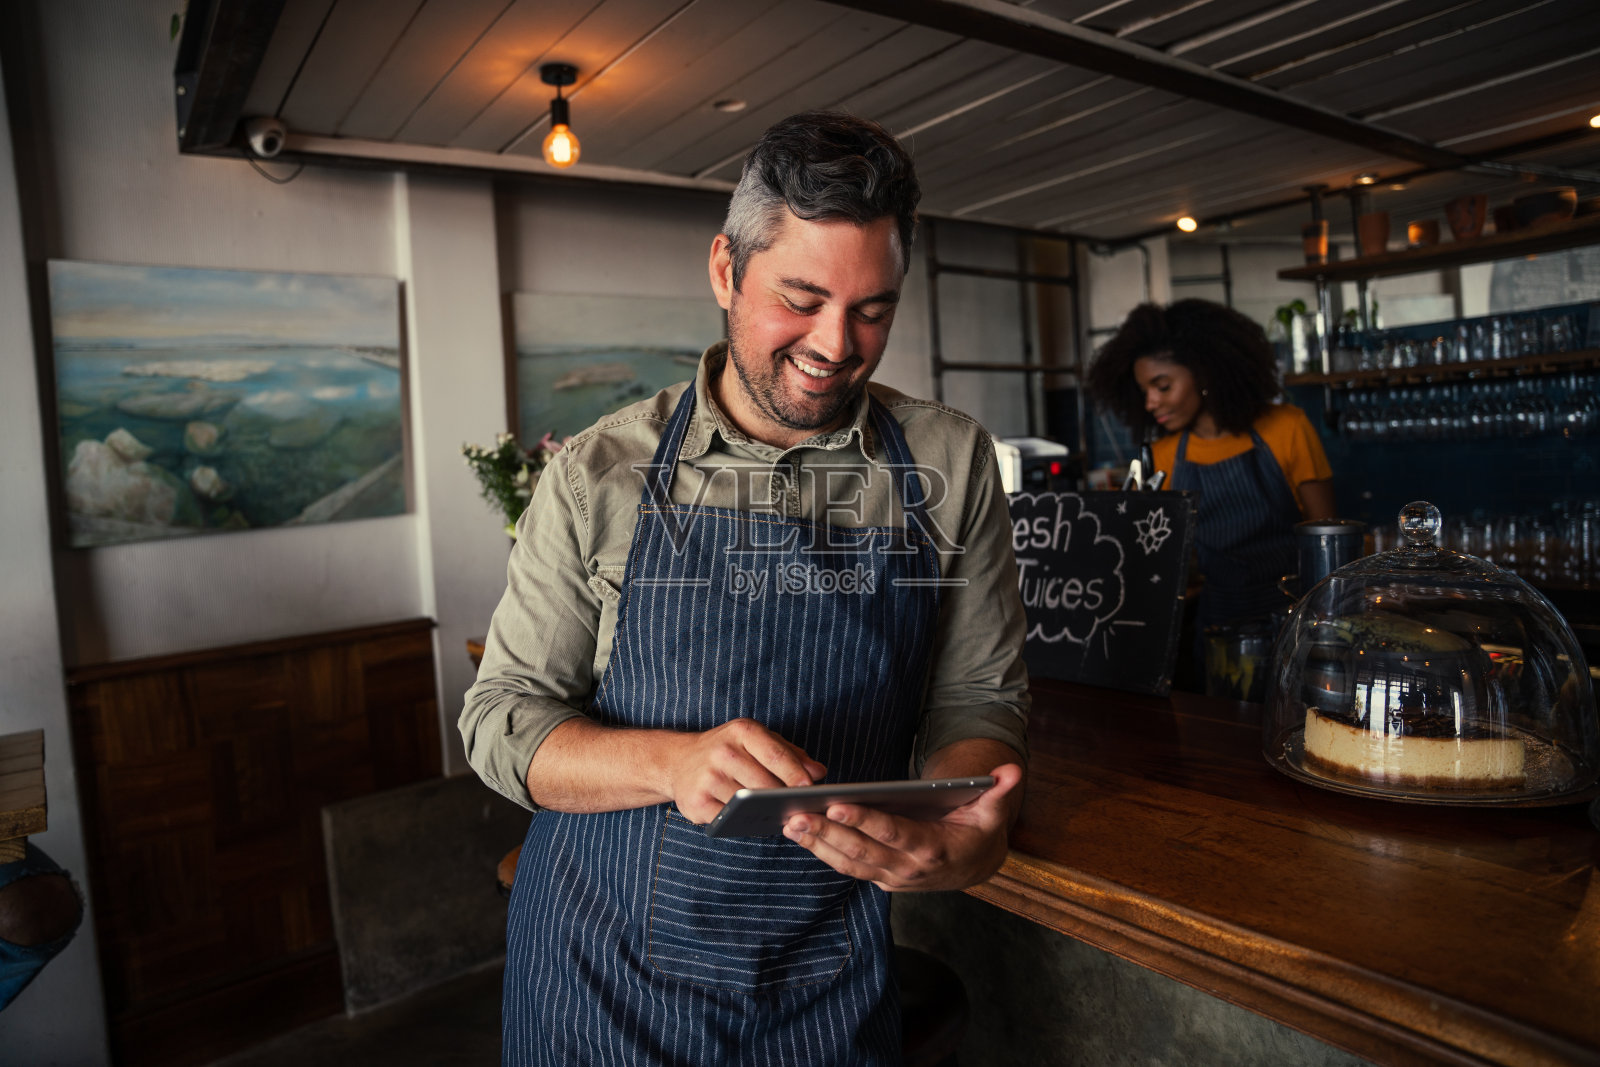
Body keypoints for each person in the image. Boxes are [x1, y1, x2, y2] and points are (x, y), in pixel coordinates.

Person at [461, 110, 1029, 1066]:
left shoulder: (951, 460)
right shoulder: (600, 472)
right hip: (599, 978)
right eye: (800, 299)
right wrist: (671, 763)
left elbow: (976, 697)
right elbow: (501, 721)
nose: (836, 344)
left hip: (823, 977)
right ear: (726, 269)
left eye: (873, 309)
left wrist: (965, 824)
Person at [1086, 298, 1335, 636]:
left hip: (1297, 621)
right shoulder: (1163, 456)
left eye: (1162, 386)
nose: (1150, 402)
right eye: (1144, 391)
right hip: (1217, 629)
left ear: (1204, 373)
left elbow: (1327, 543)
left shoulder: (1287, 428)